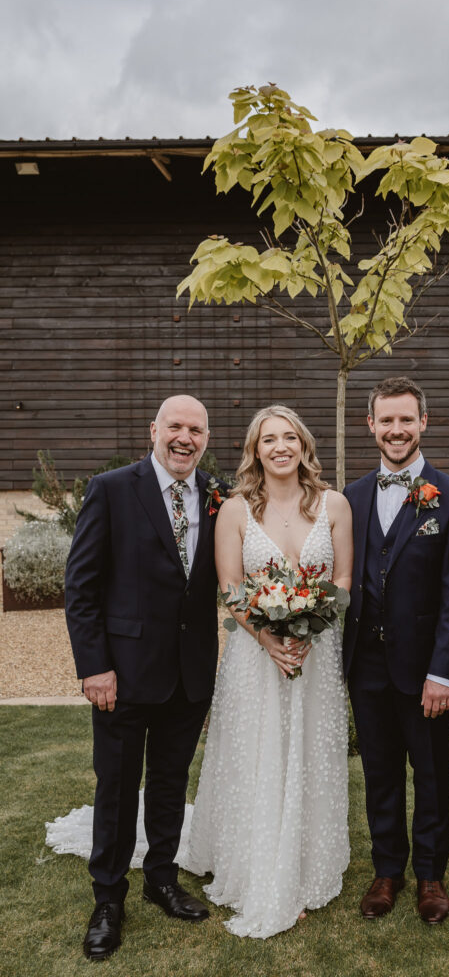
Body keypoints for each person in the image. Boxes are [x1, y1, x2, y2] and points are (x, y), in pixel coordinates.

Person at [64, 395, 225, 960]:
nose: (185, 438)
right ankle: (108, 898)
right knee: (116, 788)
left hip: (189, 673)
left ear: (207, 437)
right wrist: (94, 667)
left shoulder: (216, 497)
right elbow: (81, 588)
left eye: (196, 430)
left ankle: (161, 878)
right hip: (123, 675)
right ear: (154, 429)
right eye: (176, 427)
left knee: (168, 783)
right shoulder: (111, 489)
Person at [183, 404, 353, 939]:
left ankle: (306, 863)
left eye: (289, 437)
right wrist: (267, 637)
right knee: (257, 752)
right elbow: (231, 589)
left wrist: (312, 626)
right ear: (255, 451)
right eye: (268, 439)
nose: (280, 447)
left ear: (304, 445)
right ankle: (255, 862)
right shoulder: (234, 511)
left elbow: (344, 581)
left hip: (317, 654)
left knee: (308, 751)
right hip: (255, 659)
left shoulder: (336, 505)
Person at [343, 376, 449, 924]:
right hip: (365, 666)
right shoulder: (349, 497)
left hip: (424, 667)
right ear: (370, 425)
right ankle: (387, 870)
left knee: (429, 771)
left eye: (407, 419)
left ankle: (430, 874)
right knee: (379, 771)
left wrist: (443, 674)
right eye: (386, 420)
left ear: (423, 423)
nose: (396, 430)